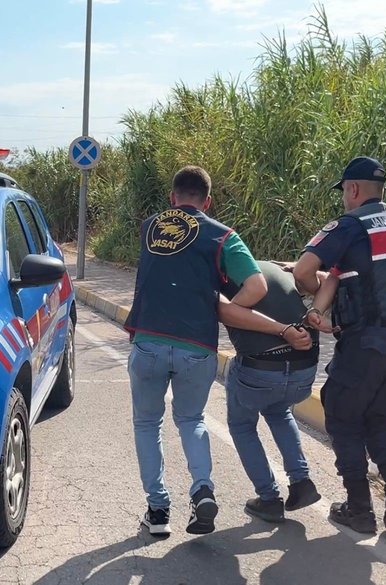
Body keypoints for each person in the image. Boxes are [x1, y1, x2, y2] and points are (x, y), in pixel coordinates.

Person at [292, 156, 386, 534]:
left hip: (373, 341)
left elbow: (304, 271)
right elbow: (351, 275)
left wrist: (311, 299)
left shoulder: (350, 225)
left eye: (343, 192)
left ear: (352, 189)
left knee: (342, 412)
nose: (343, 199)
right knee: (379, 416)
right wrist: (324, 298)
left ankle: (359, 507)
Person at [124, 165, 267, 536]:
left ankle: (158, 512)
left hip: (149, 341)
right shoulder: (223, 236)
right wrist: (224, 308)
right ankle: (202, 490)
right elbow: (257, 286)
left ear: (172, 197)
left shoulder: (149, 227)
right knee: (191, 420)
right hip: (197, 346)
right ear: (208, 201)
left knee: (147, 423)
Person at [217, 261, 323, 524]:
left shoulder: (218, 278)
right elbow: (325, 278)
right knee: (278, 411)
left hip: (260, 371)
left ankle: (269, 498)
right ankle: (301, 482)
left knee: (242, 425)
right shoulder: (274, 268)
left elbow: (219, 313)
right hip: (304, 370)